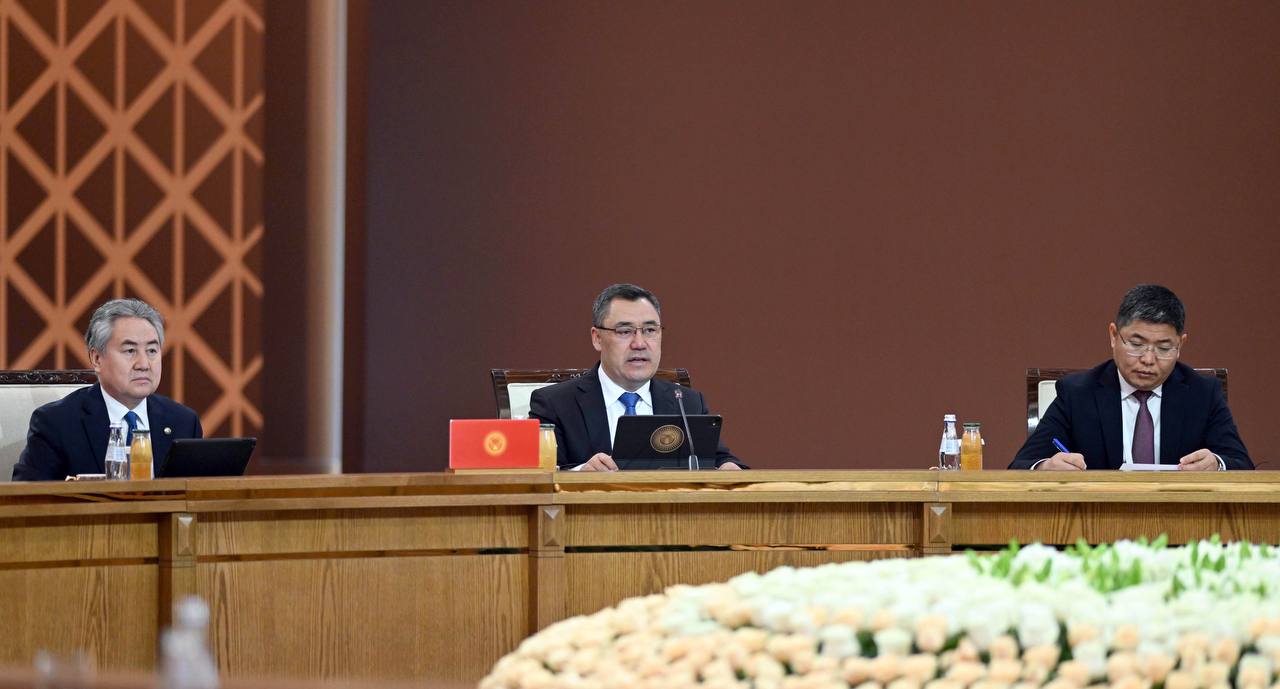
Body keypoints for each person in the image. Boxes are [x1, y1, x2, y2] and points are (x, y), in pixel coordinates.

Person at [1010, 284, 1251, 471]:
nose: (1148, 359)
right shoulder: (1077, 393)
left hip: (1179, 518)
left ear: (1180, 345)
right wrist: (1045, 467)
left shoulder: (1203, 394)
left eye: (1164, 348)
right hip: (1099, 518)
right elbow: (1021, 466)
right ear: (1113, 336)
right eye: (1136, 344)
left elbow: (1242, 466)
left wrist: (1217, 464)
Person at [530, 283, 744, 471]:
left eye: (650, 330)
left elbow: (720, 459)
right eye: (625, 331)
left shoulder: (686, 402)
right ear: (597, 338)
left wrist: (728, 468)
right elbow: (539, 477)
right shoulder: (555, 405)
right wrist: (580, 473)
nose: (639, 343)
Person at [11, 298, 203, 481]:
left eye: (152, 351)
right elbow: (27, 498)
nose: (144, 364)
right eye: (130, 351)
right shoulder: (56, 423)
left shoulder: (184, 422)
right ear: (97, 359)